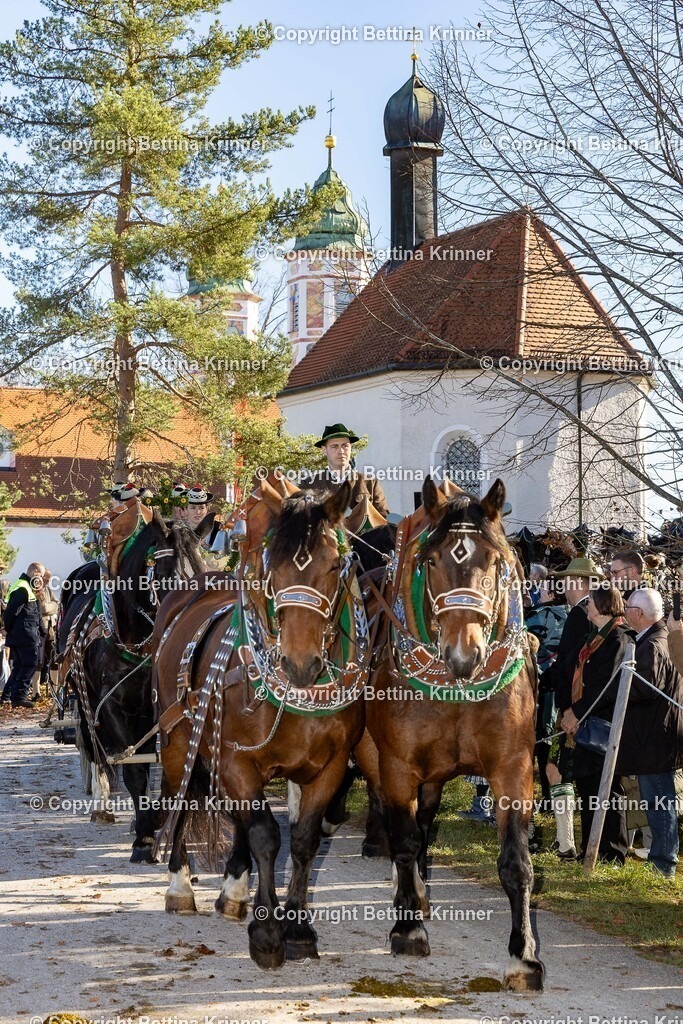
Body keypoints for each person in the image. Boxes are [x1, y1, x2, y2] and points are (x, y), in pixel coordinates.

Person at [560, 584, 633, 865]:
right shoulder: (593, 637)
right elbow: (573, 672)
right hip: (584, 722)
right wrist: (569, 710)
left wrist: (575, 713)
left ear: (602, 606)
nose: (586, 607)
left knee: (609, 788)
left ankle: (613, 853)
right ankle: (591, 849)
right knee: (588, 786)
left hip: (604, 724)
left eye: (590, 602)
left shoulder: (619, 639)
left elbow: (605, 686)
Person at [620, 589, 683, 879]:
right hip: (656, 736)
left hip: (655, 738)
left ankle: (663, 864)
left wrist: (618, 690)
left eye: (629, 606)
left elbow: (647, 688)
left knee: (660, 802)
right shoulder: (656, 639)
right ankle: (661, 860)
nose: (625, 610)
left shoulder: (654, 644)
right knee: (658, 801)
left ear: (639, 613)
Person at [526, 580, 568, 809]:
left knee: (538, 738)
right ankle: (550, 794)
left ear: (551, 593)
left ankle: (532, 794)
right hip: (561, 686)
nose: (537, 593)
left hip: (539, 684)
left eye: (541, 590)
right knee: (550, 738)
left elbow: (528, 647)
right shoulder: (571, 614)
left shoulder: (539, 616)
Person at [305, 423, 390, 517]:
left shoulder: (370, 483)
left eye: (345, 446)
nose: (341, 451)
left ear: (351, 448)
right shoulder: (309, 484)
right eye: (334, 446)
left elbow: (383, 519)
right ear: (324, 450)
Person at [2, 562, 45, 708]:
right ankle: (19, 696)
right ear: (34, 572)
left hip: (24, 634)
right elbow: (11, 612)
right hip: (24, 635)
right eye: (41, 575)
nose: (42, 579)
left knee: (19, 667)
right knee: (29, 664)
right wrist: (6, 628)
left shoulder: (28, 587)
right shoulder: (22, 588)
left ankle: (8, 696)